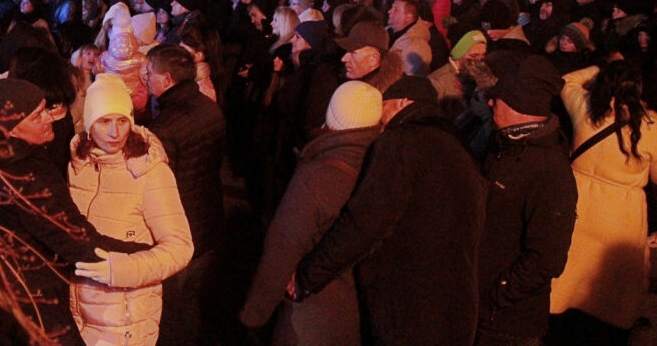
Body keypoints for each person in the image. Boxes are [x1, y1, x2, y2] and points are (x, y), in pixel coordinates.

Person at [293, 76, 486, 346]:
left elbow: (365, 222)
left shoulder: (401, 142)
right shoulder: (457, 145)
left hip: (409, 308)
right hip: (457, 308)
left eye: (383, 104)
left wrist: (308, 275)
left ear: (402, 103)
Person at [0, 78, 150, 346]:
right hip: (32, 294)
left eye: (46, 108)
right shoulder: (28, 173)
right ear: (11, 129)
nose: (49, 118)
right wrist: (146, 253)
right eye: (37, 116)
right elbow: (75, 242)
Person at [241, 81, 383, 345]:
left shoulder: (319, 175)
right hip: (353, 313)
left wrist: (254, 313)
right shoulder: (379, 164)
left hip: (312, 313)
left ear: (332, 115)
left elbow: (283, 247)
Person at [69, 73, 193, 346]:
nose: (115, 132)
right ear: (89, 124)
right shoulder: (77, 166)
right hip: (78, 318)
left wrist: (122, 269)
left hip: (126, 322)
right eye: (104, 121)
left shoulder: (150, 171)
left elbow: (180, 247)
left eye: (122, 120)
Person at [549, 62, 657, 344]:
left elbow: (567, 79)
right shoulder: (651, 126)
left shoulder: (585, 110)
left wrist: (600, 66)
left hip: (578, 205)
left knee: (569, 279)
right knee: (611, 292)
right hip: (620, 214)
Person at [477, 54, 577, 346]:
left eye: (500, 98)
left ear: (522, 105)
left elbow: (547, 259)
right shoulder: (503, 145)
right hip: (482, 311)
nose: (491, 103)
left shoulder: (549, 171)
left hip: (507, 325)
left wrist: (494, 294)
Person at [145, 45, 227, 346]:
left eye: (149, 73)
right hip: (210, 219)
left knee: (170, 308)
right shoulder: (210, 108)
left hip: (182, 228)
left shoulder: (166, 127)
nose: (145, 79)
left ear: (165, 79)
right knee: (192, 300)